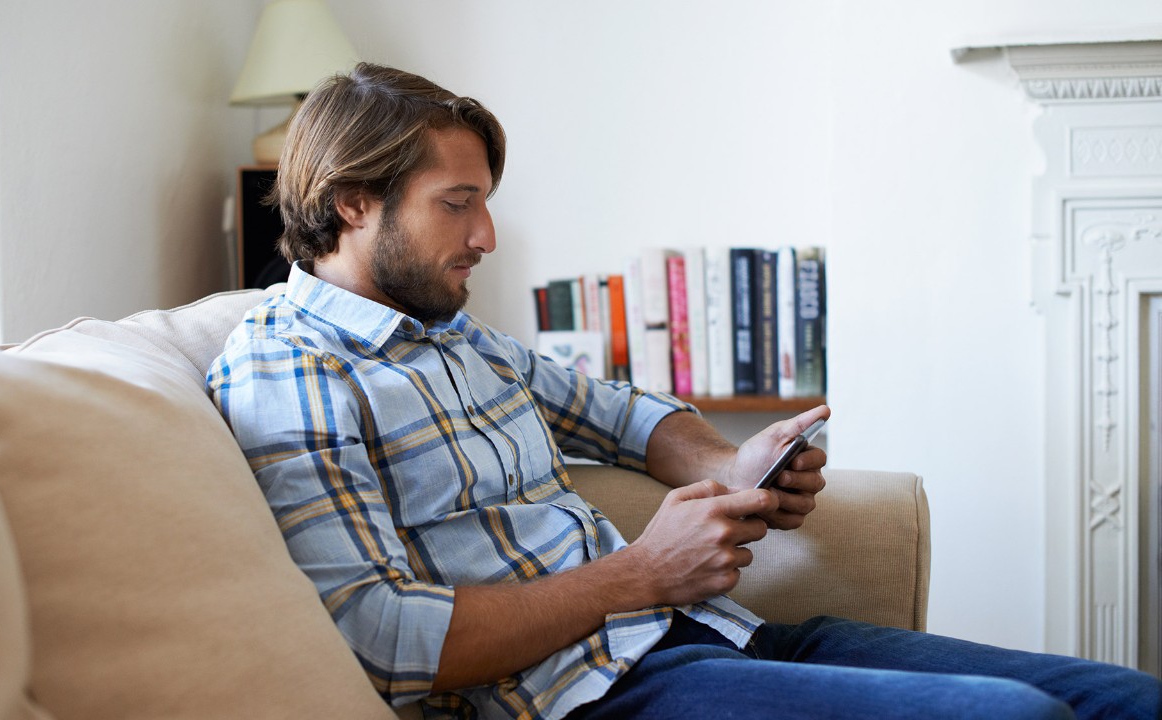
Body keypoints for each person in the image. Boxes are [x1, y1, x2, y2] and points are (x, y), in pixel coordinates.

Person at [207, 63, 1160, 720]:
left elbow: (619, 413)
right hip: (592, 696)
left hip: (708, 639)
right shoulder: (289, 369)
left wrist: (729, 465)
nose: (487, 236)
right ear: (352, 202)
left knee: (1129, 698)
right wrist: (642, 572)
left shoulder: (458, 337)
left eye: (486, 201)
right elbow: (385, 638)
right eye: (458, 203)